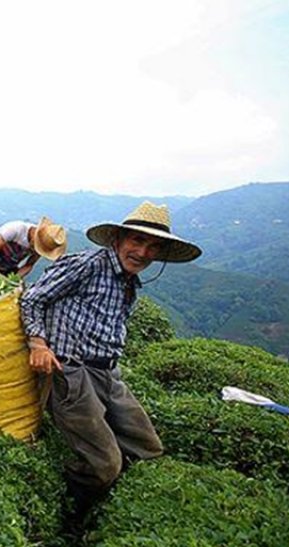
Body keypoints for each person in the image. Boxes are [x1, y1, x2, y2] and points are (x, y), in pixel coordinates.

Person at [20, 201, 201, 510]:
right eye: (137, 241)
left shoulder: (129, 280)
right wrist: (38, 343)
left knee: (148, 447)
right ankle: (69, 507)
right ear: (118, 239)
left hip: (108, 375)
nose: (143, 252)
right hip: (72, 374)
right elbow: (33, 299)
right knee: (105, 465)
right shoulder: (87, 265)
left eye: (153, 246)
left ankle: (123, 505)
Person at [0, 216, 68, 278]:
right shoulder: (15, 230)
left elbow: (29, 265)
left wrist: (14, 279)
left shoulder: (44, 245)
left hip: (10, 269)